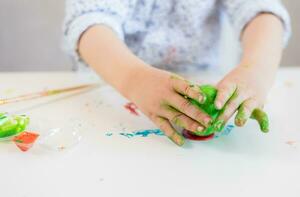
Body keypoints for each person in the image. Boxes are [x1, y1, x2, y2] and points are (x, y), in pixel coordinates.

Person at [63, 0, 291, 146]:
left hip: (201, 82)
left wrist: (257, 70)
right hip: (109, 84)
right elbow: (89, 20)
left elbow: (261, 11)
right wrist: (134, 79)